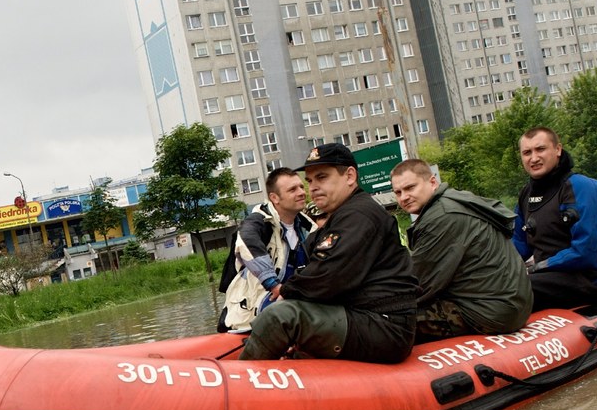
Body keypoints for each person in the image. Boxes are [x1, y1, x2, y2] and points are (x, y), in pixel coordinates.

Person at [239, 143, 418, 362]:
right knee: (282, 315)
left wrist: (286, 291)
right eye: (310, 181)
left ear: (350, 176)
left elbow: (328, 276)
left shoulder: (360, 215)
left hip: (384, 326)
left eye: (322, 177)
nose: (312, 187)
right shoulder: (340, 217)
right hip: (362, 317)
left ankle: (244, 379)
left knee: (281, 316)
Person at [390, 159, 532, 342]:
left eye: (410, 188)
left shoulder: (441, 216)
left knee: (388, 323)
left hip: (491, 312)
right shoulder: (457, 199)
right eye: (398, 192)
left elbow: (418, 283)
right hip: (512, 303)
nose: (404, 197)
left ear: (432, 182)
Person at [514, 127, 597, 312]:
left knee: (511, 290)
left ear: (558, 150)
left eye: (540, 149)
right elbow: (518, 245)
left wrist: (536, 268)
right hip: (547, 277)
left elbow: (585, 253)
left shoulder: (584, 188)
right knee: (492, 287)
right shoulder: (526, 195)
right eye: (527, 152)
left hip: (591, 279)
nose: (533, 158)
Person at [217, 167, 315, 332]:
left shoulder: (309, 227)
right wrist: (273, 284)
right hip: (252, 314)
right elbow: (245, 243)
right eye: (292, 189)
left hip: (294, 306)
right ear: (274, 198)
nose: (301, 192)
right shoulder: (257, 222)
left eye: (300, 186)